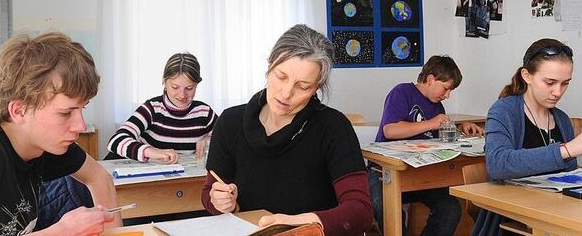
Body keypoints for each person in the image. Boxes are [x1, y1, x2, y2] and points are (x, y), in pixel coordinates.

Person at [201, 24, 374, 235]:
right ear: (269, 65)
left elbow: (360, 212)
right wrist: (221, 202)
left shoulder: (334, 127)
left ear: (316, 88)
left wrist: (301, 223)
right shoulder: (230, 122)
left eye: (302, 87)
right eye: (281, 76)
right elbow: (210, 192)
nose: (286, 93)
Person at [0, 32, 121, 236]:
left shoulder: (40, 139)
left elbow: (100, 178)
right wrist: (62, 231)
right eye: (65, 113)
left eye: (82, 108)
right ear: (19, 111)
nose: (81, 125)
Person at [472, 39, 582, 236]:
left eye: (565, 83)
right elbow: (497, 164)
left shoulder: (561, 119)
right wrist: (567, 149)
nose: (558, 92)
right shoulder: (504, 111)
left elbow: (567, 178)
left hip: (555, 215)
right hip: (513, 220)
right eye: (550, 82)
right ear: (526, 75)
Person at [368, 55, 484, 236]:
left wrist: (461, 129)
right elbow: (390, 130)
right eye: (446, 88)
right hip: (384, 173)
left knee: (451, 208)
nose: (447, 95)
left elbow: (438, 137)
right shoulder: (402, 92)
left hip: (420, 174)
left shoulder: (437, 107)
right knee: (386, 207)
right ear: (431, 79)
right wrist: (432, 123)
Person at [106, 53, 217, 162]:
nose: (182, 95)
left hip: (183, 178)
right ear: (164, 82)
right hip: (150, 176)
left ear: (197, 85)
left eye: (189, 88)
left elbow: (229, 140)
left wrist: (210, 140)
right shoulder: (152, 109)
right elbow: (115, 140)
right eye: (175, 87)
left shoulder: (205, 113)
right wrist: (151, 151)